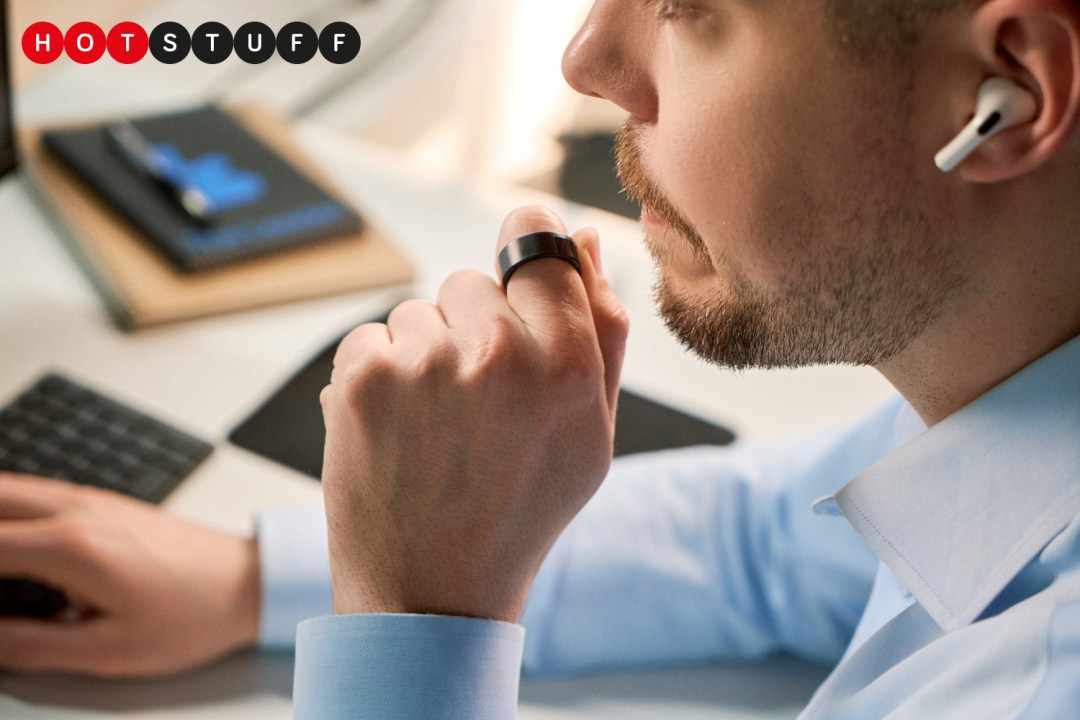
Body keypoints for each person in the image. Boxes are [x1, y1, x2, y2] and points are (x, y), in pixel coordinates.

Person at [2, 0, 1080, 716]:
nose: (591, 59)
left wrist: (410, 623)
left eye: (687, 8)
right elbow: (763, 541)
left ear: (1005, 94)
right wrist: (252, 581)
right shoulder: (1012, 387)